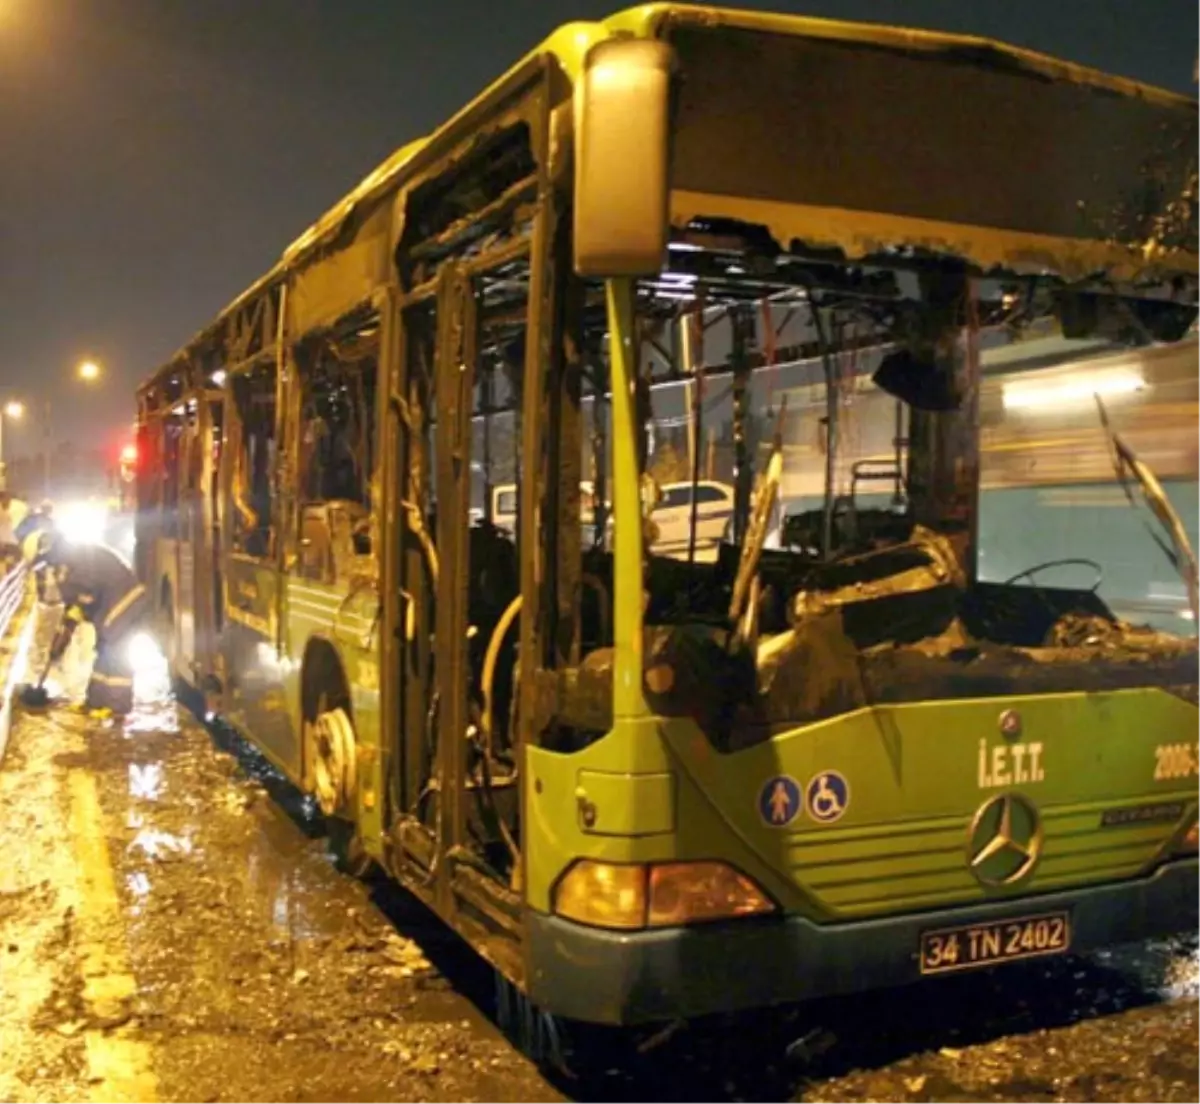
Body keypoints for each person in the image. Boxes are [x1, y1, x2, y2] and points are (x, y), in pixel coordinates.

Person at [23, 527, 148, 716]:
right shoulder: (69, 560)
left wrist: (66, 630)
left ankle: (117, 707)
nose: (44, 567)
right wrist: (64, 632)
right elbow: (76, 603)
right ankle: (96, 702)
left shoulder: (75, 561)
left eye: (42, 562)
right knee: (104, 649)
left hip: (123, 601)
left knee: (114, 650)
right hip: (112, 603)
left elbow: (84, 597)